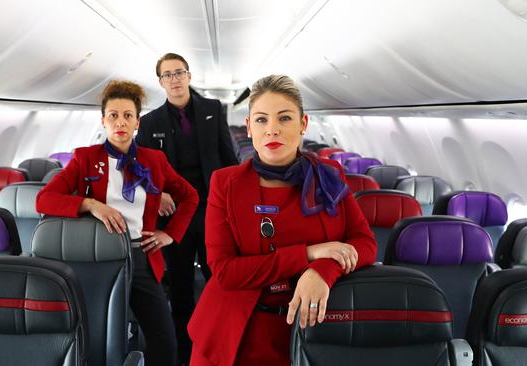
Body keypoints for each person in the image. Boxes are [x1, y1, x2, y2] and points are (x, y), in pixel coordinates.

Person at [187, 75, 377, 366]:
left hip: (314, 327)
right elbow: (225, 271)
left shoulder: (328, 175)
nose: (272, 129)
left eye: (284, 118)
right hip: (239, 332)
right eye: (261, 120)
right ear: (249, 127)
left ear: (303, 124)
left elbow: (364, 242)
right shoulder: (226, 183)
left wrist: (323, 270)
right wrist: (308, 254)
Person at [36, 80, 199, 366]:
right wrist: (90, 204)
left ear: (137, 122)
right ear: (103, 120)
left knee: (164, 340)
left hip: (141, 257)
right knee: (93, 337)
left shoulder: (154, 160)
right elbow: (44, 200)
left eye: (127, 115)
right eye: (113, 115)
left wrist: (170, 234)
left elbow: (190, 196)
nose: (120, 122)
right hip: (96, 258)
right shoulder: (85, 159)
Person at [136, 52, 239, 364]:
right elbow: (141, 168)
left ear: (189, 76)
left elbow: (228, 157)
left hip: (212, 211)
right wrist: (158, 192)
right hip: (175, 217)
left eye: (179, 73)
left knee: (219, 282)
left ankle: (220, 344)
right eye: (167, 75)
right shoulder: (150, 122)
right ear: (160, 82)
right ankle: (184, 353)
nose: (174, 79)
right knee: (180, 287)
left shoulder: (212, 109)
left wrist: (236, 204)